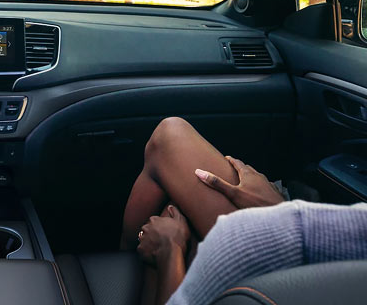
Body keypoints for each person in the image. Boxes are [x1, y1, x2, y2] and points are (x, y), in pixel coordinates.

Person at [122, 117, 367, 305]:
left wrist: (170, 250)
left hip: (288, 274)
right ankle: (128, 256)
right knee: (175, 211)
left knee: (169, 136)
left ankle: (125, 255)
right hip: (318, 267)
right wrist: (275, 207)